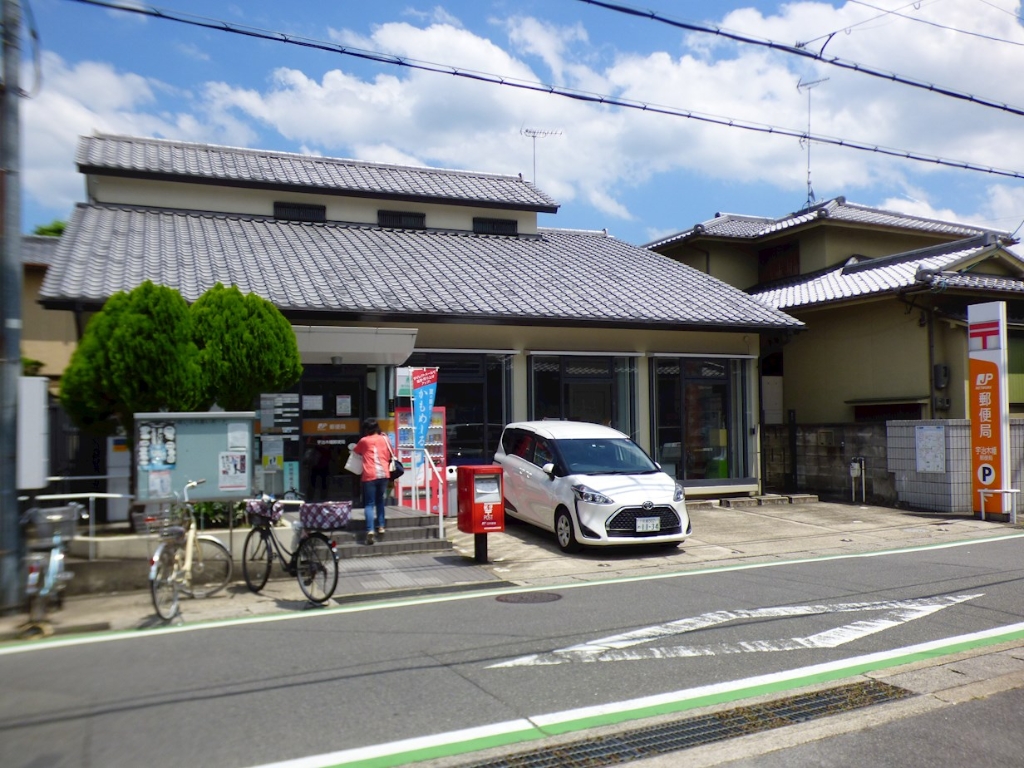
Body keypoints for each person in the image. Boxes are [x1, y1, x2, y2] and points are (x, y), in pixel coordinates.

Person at [352, 418, 394, 544]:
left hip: (369, 474)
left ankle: (370, 530)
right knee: (380, 501)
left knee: (369, 504)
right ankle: (381, 526)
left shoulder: (364, 441)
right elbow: (391, 453)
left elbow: (356, 451)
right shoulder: (385, 439)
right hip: (384, 474)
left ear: (366, 429)